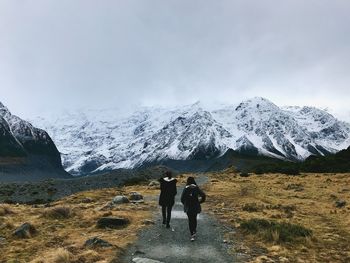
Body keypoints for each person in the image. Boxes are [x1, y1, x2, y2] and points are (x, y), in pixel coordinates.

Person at [181, 176, 206, 241]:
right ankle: (194, 230)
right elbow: (203, 195)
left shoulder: (186, 188)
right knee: (194, 218)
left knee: (190, 220)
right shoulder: (196, 188)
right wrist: (200, 202)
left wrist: (185, 204)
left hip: (188, 207)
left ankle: (192, 233)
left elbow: (182, 199)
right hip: (195, 206)